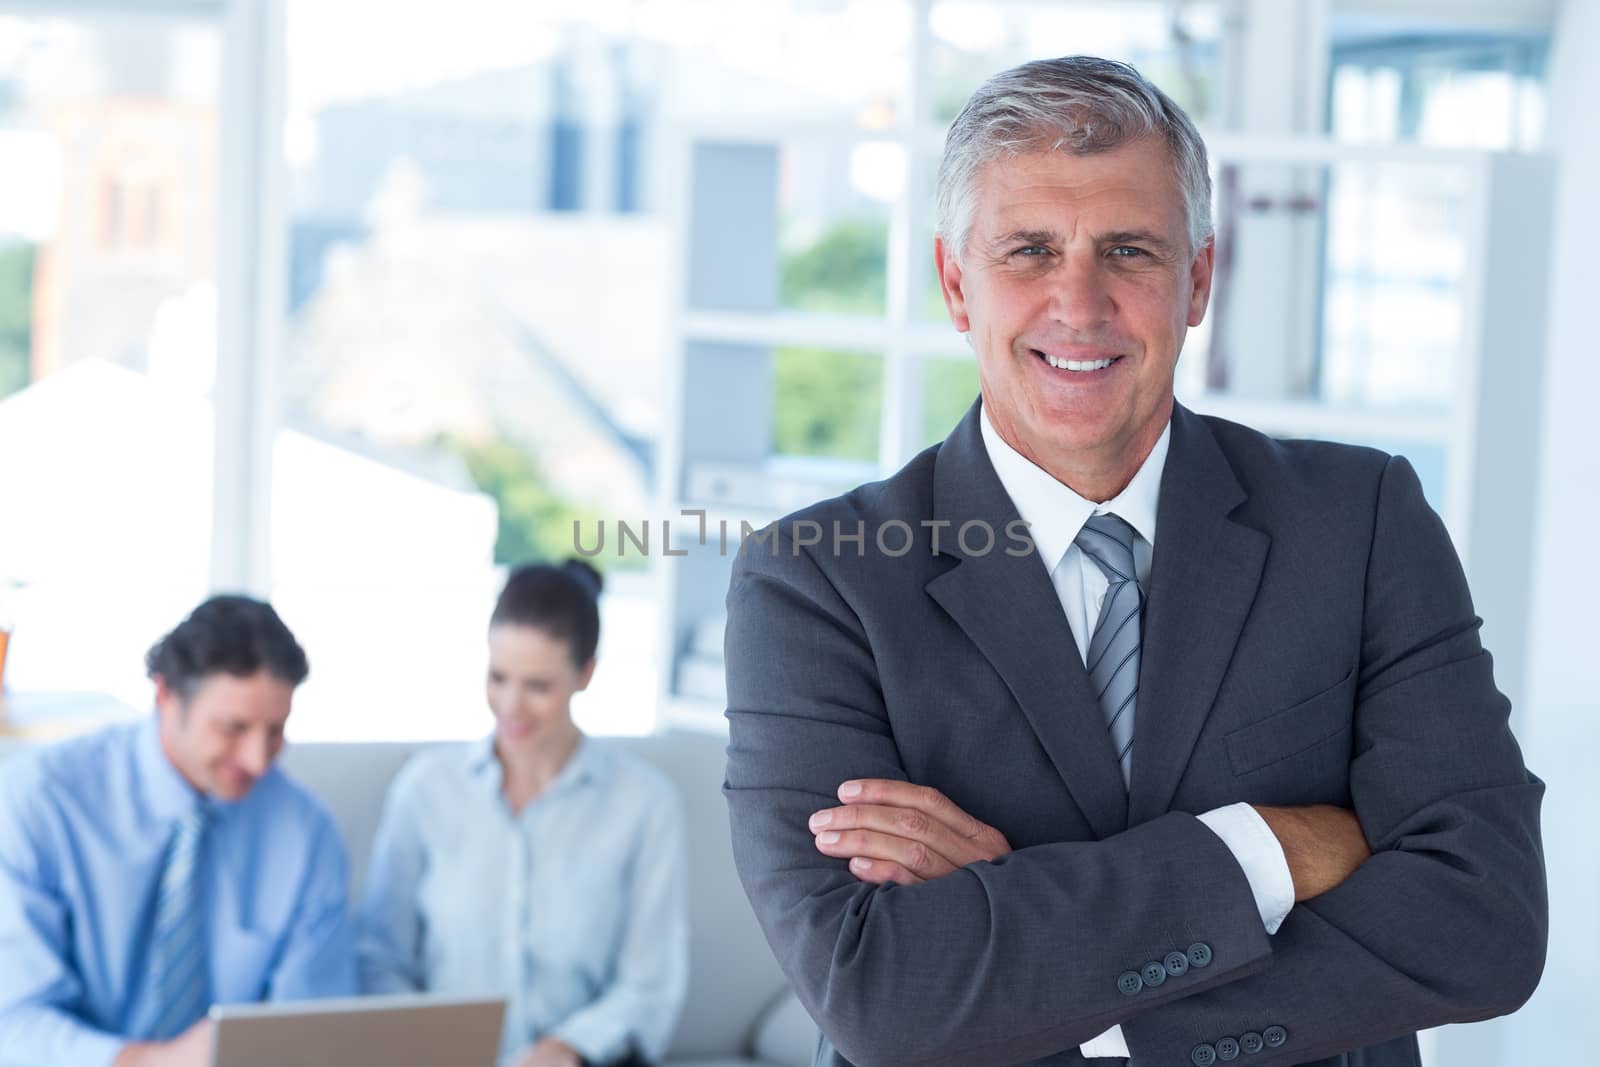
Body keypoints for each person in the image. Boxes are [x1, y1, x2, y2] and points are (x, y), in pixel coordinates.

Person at [723, 56, 1546, 1067]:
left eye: (1128, 250)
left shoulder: (1361, 521)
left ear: (1198, 277)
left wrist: (1053, 980)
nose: (1079, 302)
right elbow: (882, 992)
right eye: (1028, 250)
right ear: (953, 283)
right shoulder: (816, 579)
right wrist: (1271, 847)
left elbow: (1485, 920)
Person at [0, 595, 356, 1067]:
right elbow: (13, 1024)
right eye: (233, 728)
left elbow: (311, 1030)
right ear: (165, 694)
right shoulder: (39, 802)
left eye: (275, 730)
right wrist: (151, 1062)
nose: (257, 759)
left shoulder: (306, 833)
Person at [358, 560, 688, 1067]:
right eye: (497, 677)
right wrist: (421, 1043)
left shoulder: (643, 805)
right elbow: (380, 958)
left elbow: (651, 984)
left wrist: (568, 1049)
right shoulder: (426, 790)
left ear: (586, 674)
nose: (510, 706)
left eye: (538, 686)